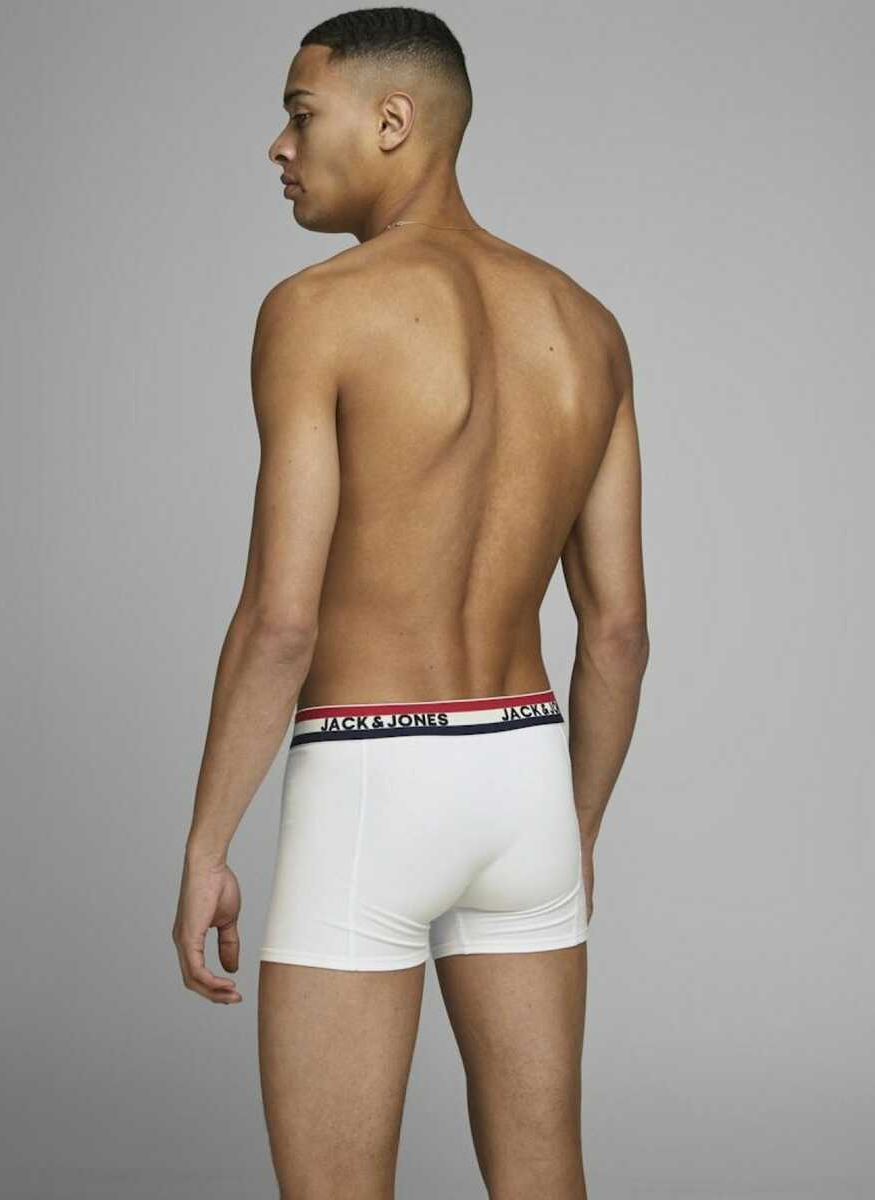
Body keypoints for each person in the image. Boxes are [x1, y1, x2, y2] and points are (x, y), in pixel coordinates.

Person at [172, 7, 649, 1198]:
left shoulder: (317, 310)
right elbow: (619, 633)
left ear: (394, 120)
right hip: (527, 776)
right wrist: (574, 829)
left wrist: (208, 842)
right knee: (545, 1178)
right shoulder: (587, 325)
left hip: (371, 775)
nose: (279, 146)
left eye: (300, 114)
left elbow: (281, 620)